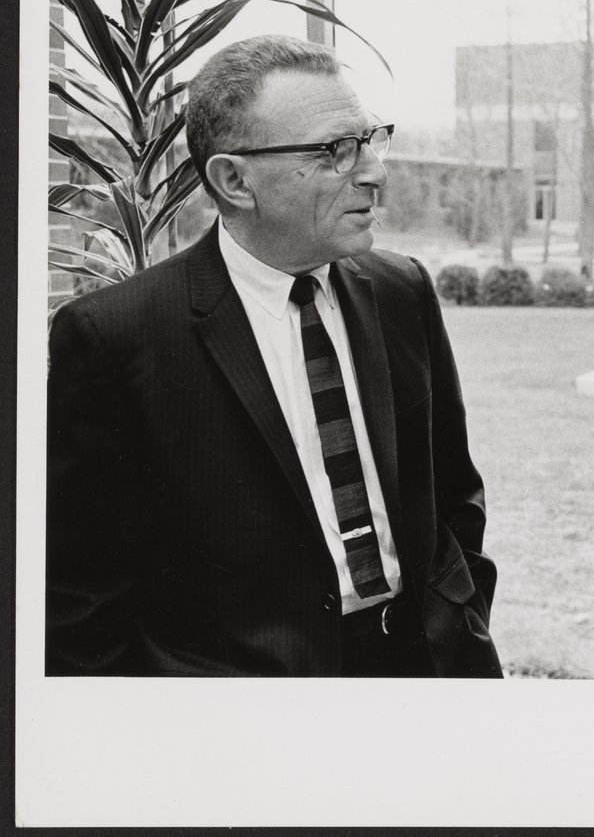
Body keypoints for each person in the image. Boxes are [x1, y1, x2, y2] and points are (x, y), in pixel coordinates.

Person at [46, 35, 503, 677]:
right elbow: (82, 599)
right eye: (336, 150)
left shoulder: (402, 292)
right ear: (234, 180)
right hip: (241, 707)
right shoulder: (116, 337)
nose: (374, 172)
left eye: (370, 140)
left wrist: (460, 615)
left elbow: (454, 491)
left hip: (423, 668)